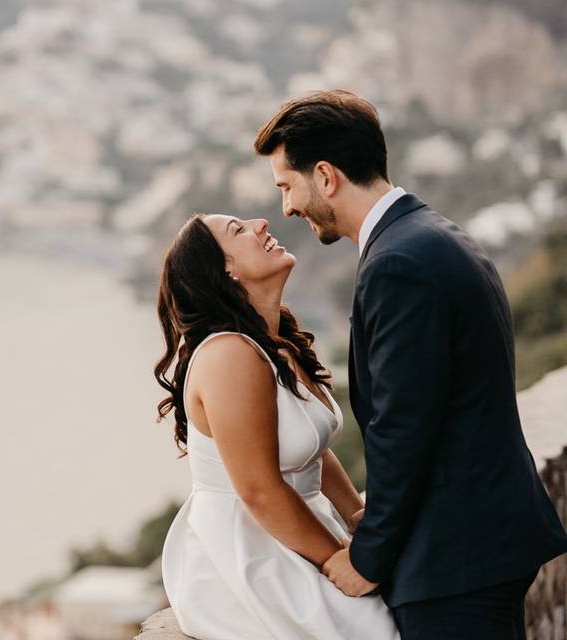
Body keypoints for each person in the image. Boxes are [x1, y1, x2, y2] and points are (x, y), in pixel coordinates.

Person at [252, 89, 567, 639]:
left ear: (325, 176)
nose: (287, 209)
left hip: (455, 562)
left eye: (286, 186)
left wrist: (368, 557)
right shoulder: (433, 235)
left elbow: (405, 428)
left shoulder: (398, 263)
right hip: (481, 542)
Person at [155, 213, 400, 638]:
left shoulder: (276, 346)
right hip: (250, 549)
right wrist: (337, 558)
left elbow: (313, 448)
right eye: (239, 230)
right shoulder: (229, 355)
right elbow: (259, 490)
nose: (262, 223)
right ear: (224, 270)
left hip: (301, 525)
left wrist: (354, 514)